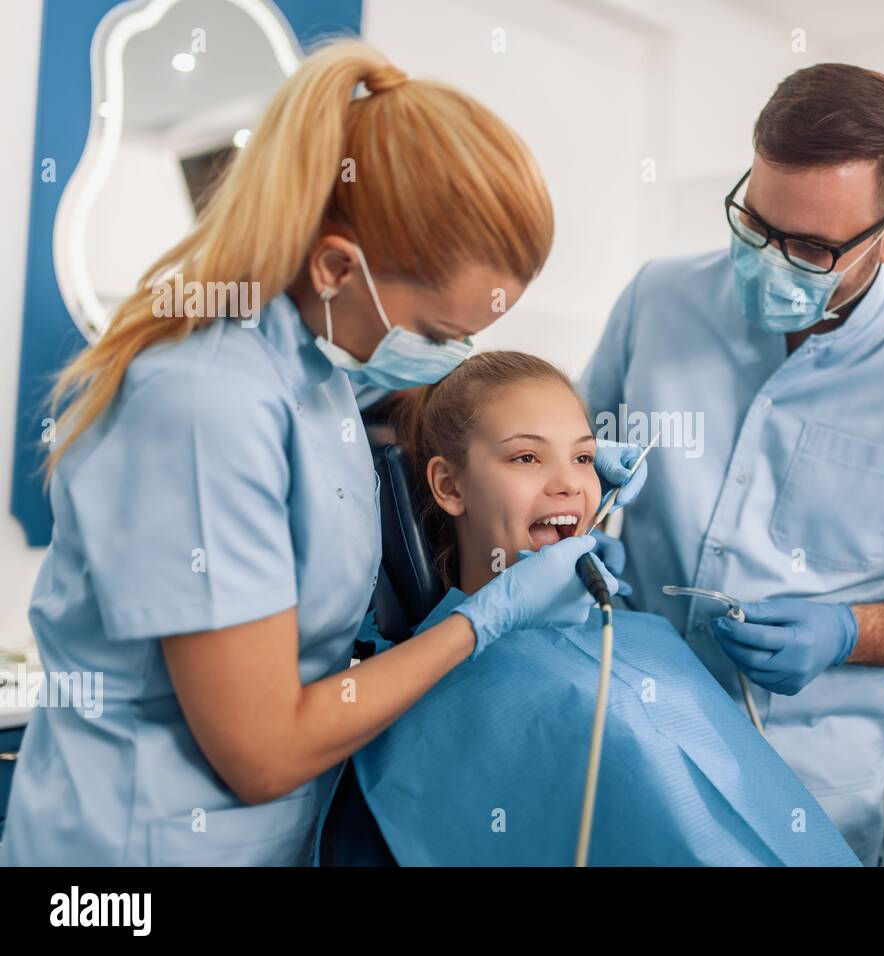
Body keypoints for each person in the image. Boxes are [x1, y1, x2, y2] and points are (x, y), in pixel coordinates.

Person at [0, 41, 638, 866]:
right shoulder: (202, 404)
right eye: (442, 333)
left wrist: (559, 468)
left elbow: (416, 451)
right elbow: (262, 750)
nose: (456, 351)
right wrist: (488, 620)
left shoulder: (318, 373)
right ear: (339, 266)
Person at [580, 63, 884, 864]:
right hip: (624, 740)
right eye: (754, 225)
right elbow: (574, 456)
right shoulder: (657, 299)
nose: (767, 261)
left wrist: (850, 632)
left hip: (800, 794)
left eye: (810, 248)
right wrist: (575, 504)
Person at [333, 351, 861, 866]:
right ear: (450, 485)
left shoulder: (642, 634)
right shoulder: (423, 688)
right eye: (526, 457)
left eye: (583, 457)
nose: (568, 483)